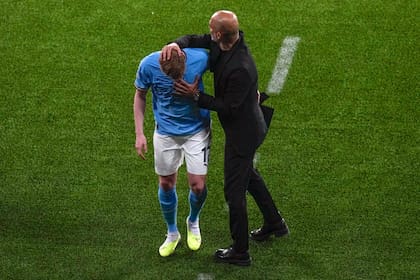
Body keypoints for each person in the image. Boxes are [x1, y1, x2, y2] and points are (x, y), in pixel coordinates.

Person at [161, 10, 288, 266]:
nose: (208, 31)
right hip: (244, 124)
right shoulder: (225, 42)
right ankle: (275, 223)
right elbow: (195, 38)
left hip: (245, 133)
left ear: (219, 33)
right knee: (249, 176)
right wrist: (176, 44)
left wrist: (195, 95)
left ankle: (240, 251)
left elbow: (229, 106)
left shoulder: (241, 67)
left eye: (211, 28)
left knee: (234, 192)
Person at [133, 47, 211, 257]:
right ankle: (172, 232)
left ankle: (193, 221)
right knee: (166, 183)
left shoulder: (201, 58)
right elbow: (140, 95)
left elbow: (226, 68)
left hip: (197, 130)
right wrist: (140, 133)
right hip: (165, 133)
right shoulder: (147, 64)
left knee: (198, 186)